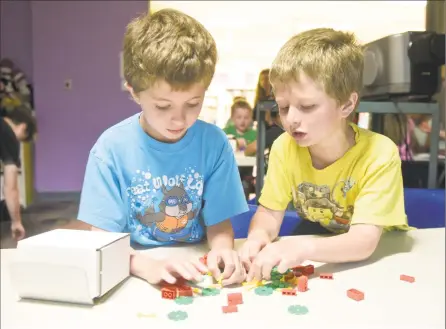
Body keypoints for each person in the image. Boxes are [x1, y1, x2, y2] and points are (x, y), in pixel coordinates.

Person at [77, 9, 248, 287]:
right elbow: (102, 240)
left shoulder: (214, 144)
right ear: (134, 92)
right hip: (130, 268)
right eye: (163, 106)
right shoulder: (109, 150)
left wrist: (223, 251)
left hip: (195, 268)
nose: (179, 119)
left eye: (193, 103)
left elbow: (219, 224)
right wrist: (145, 266)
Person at [239, 28, 410, 281]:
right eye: (283, 107)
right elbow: (269, 213)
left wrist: (302, 248)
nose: (292, 120)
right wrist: (258, 237)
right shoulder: (284, 147)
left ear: (347, 105)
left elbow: (364, 241)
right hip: (329, 251)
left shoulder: (379, 152)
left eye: (307, 106)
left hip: (383, 260)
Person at [0, 106, 37, 241]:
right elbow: (11, 188)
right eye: (22, 139)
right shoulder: (9, 135)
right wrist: (16, 221)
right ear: (23, 127)